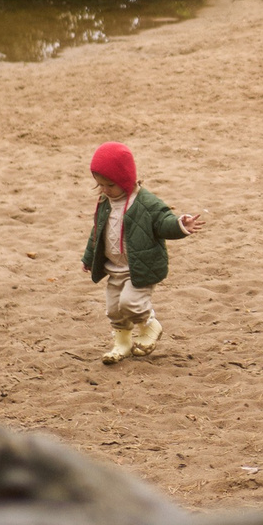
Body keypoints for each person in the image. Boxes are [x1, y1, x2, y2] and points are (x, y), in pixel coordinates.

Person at [81, 142, 202, 365]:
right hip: (114, 267)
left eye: (110, 185)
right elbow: (97, 232)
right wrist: (89, 257)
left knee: (131, 304)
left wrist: (180, 225)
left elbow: (163, 222)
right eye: (100, 185)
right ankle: (123, 343)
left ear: (126, 179)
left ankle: (150, 325)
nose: (105, 190)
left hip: (140, 266)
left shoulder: (145, 203)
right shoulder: (105, 203)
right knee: (114, 309)